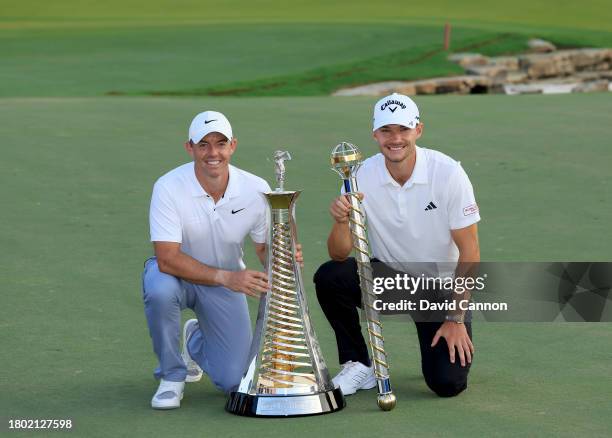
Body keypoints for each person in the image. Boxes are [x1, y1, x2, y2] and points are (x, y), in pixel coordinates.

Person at [315, 93, 481, 398]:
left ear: (418, 130)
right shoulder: (359, 175)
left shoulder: (448, 173)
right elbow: (339, 253)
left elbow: (470, 252)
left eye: (403, 130)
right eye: (387, 131)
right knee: (331, 276)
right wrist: (341, 221)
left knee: (447, 383)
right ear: (375, 134)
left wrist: (456, 318)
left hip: (440, 289)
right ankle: (358, 363)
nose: (395, 139)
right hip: (391, 280)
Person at [142, 110, 272, 409]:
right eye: (204, 145)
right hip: (176, 276)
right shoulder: (168, 186)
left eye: (220, 143)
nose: (213, 153)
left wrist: (283, 255)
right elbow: (167, 258)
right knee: (159, 290)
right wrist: (228, 278)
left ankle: (195, 339)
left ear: (233, 146)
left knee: (233, 381)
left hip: (224, 282)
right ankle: (171, 377)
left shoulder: (256, 189)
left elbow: (264, 248)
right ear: (190, 148)